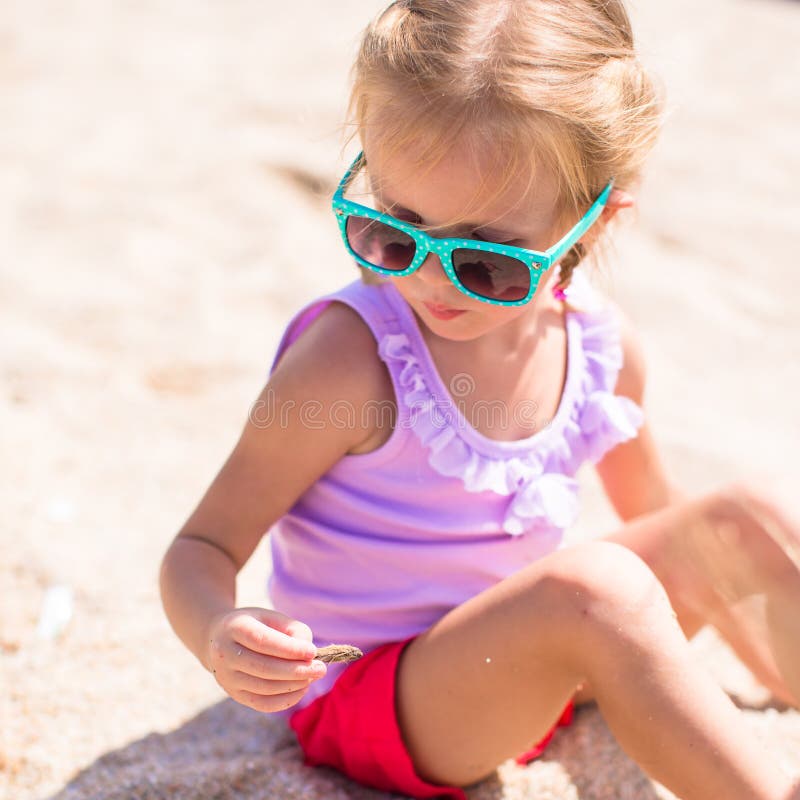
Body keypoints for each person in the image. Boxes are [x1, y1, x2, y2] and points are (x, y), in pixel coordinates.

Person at [159, 2, 800, 798]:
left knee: (747, 517)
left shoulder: (602, 346)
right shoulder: (349, 365)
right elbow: (201, 549)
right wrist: (220, 631)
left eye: (486, 260)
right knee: (597, 589)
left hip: (535, 663)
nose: (426, 275)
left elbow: (656, 527)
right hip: (374, 701)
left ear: (591, 228)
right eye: (394, 228)